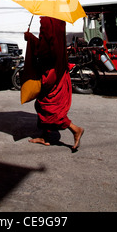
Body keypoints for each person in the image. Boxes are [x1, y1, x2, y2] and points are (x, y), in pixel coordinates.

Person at [24, 16, 84, 151]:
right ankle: (45, 136)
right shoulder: (59, 20)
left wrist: (31, 39)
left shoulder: (46, 21)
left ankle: (75, 129)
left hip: (50, 70)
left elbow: (44, 50)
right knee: (45, 102)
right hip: (59, 69)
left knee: (46, 105)